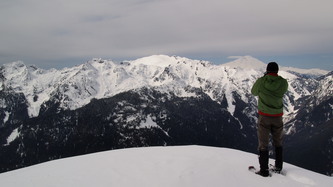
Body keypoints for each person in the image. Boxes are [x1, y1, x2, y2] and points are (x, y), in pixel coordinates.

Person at [251, 62, 288, 177]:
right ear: (277, 71)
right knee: (278, 142)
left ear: (267, 70)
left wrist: (264, 78)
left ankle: (264, 170)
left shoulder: (261, 82)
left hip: (264, 116)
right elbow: (284, 90)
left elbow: (253, 92)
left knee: (263, 143)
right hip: (278, 116)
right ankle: (278, 167)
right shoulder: (283, 82)